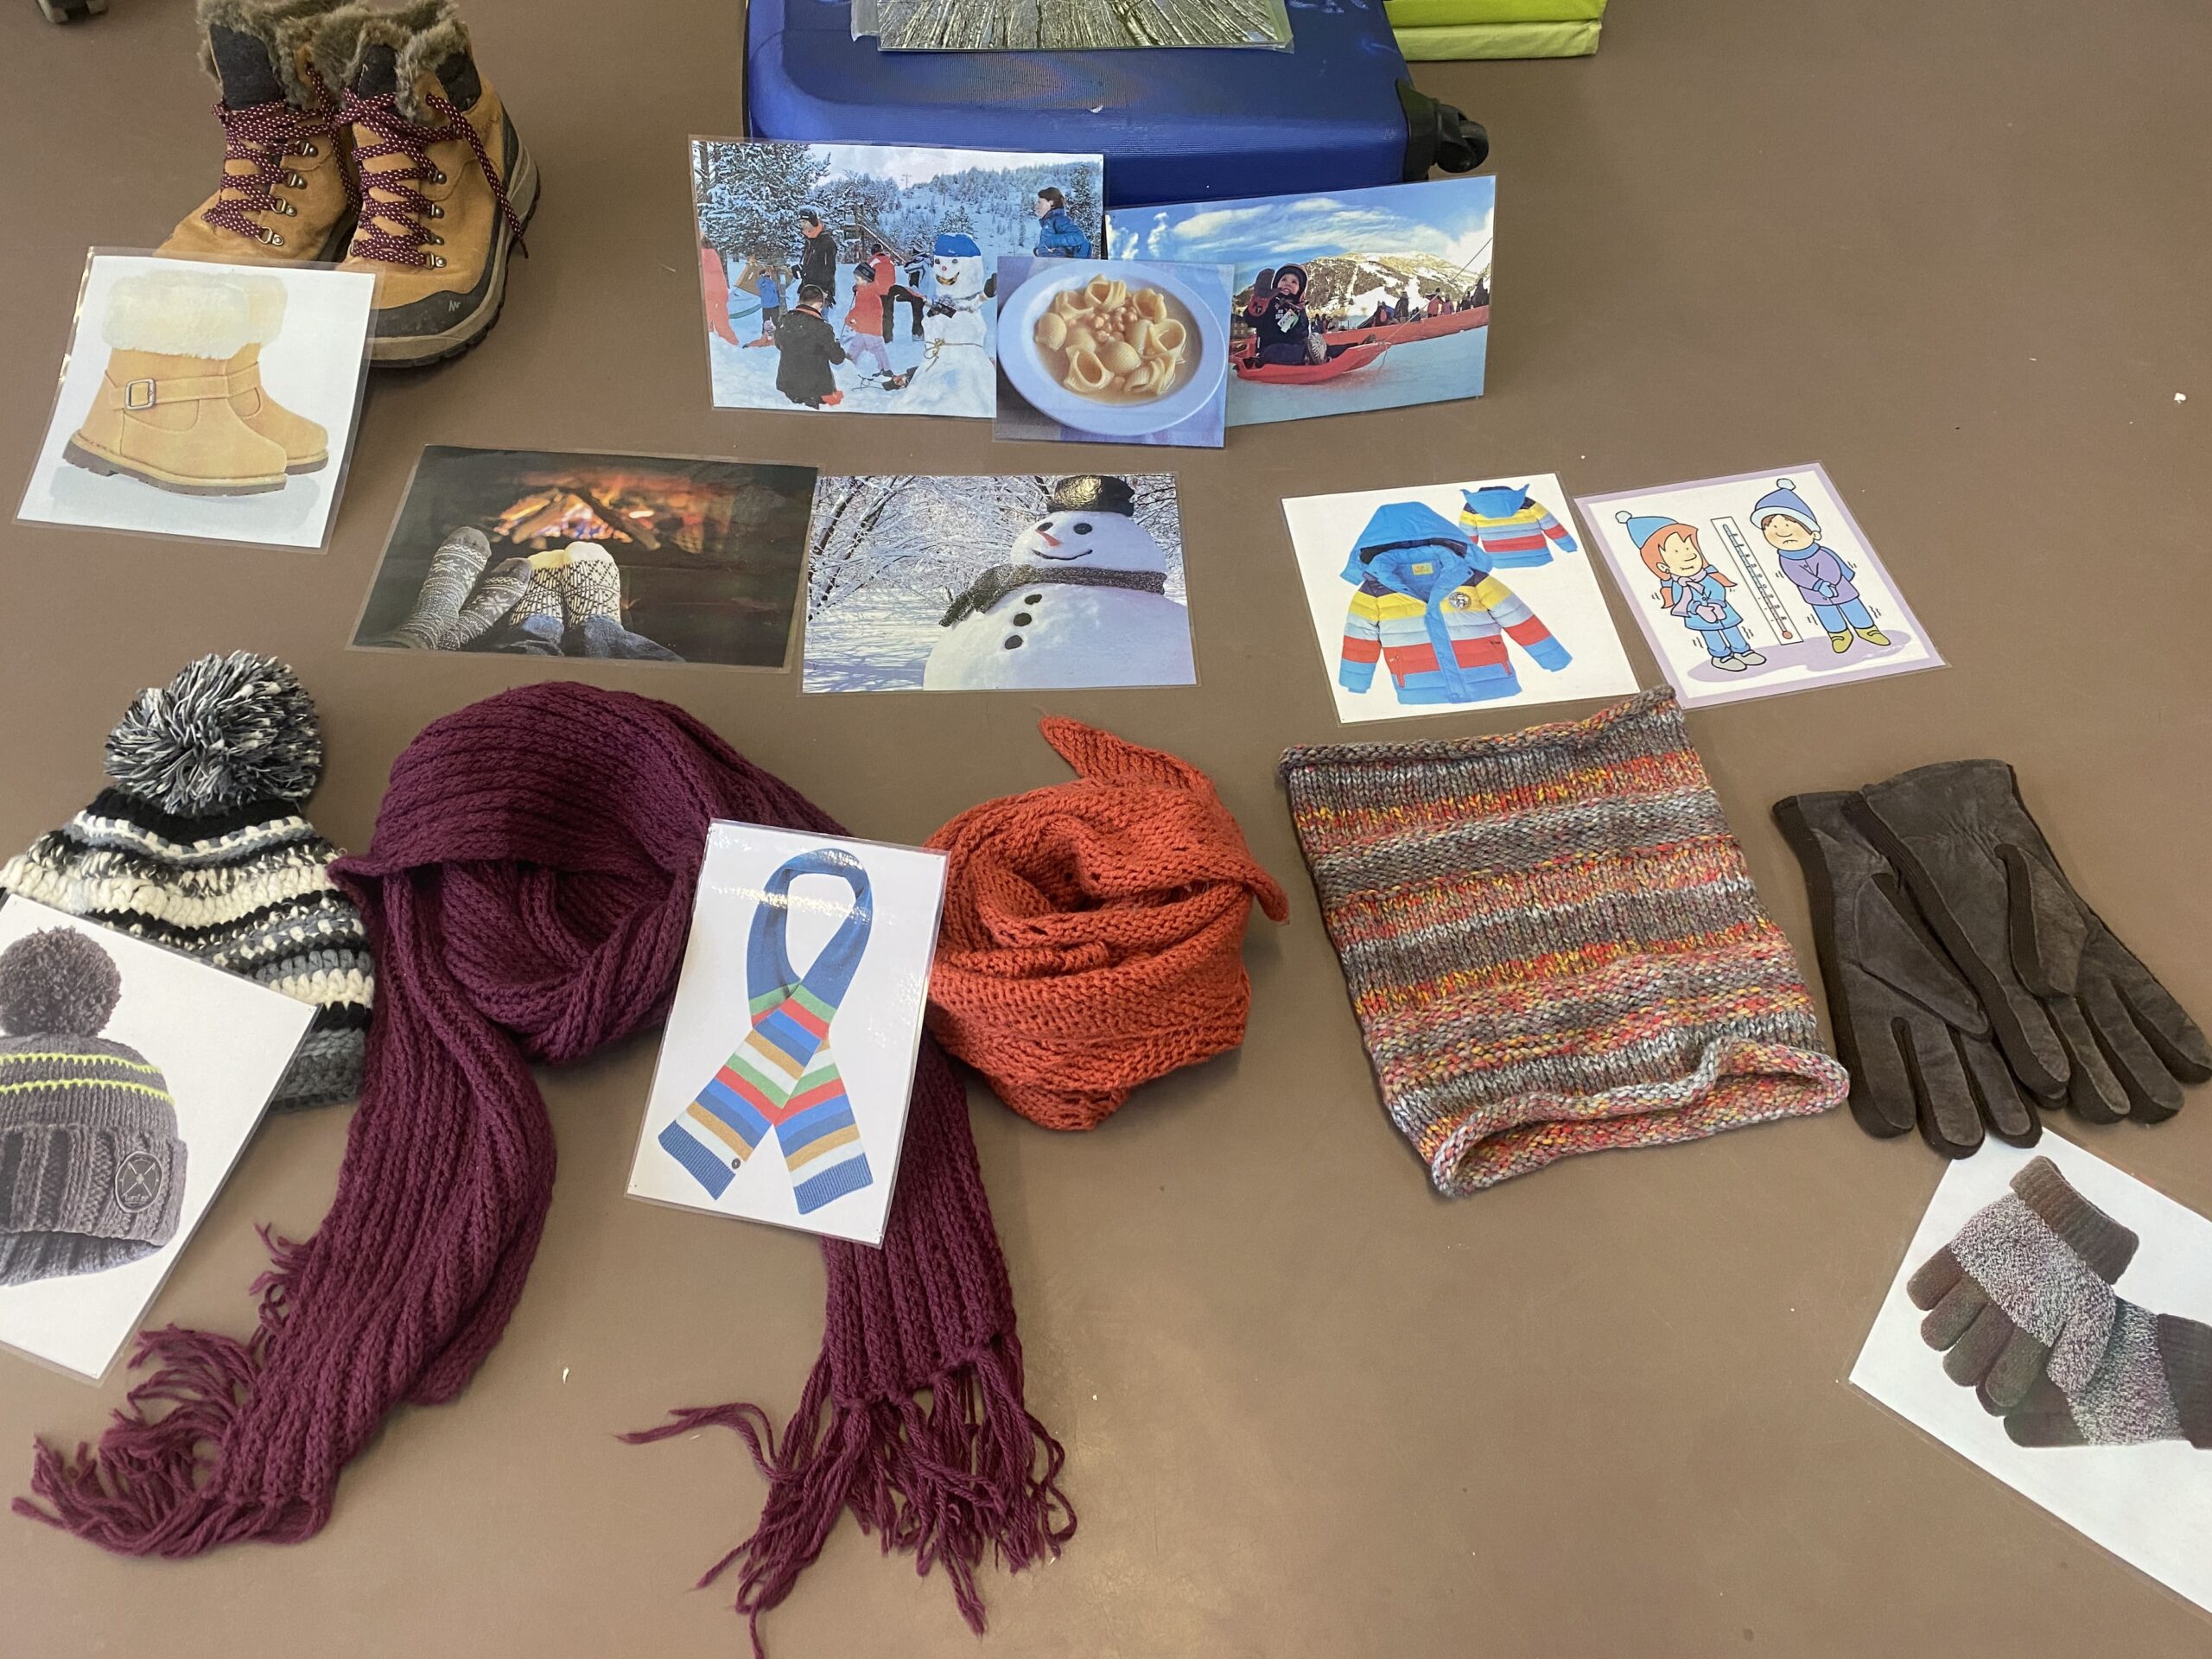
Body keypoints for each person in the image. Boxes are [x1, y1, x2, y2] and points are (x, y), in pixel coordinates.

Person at [1750, 479, 1891, 652]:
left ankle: (1867, 630)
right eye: (1772, 528)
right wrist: (1818, 586)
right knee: (1827, 614)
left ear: (1812, 531)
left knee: (1853, 607)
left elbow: (1833, 568)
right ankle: (1839, 635)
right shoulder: (1786, 559)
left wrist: (1830, 583)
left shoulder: (1821, 553)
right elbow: (1797, 575)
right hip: (1814, 594)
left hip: (1840, 587)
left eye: (1787, 525)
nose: (1782, 532)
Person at [1623, 513, 1766, 673]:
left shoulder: (1706, 576)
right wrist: (1697, 608)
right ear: (1662, 566)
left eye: (1689, 548)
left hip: (1721, 609)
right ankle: (1721, 656)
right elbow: (1679, 600)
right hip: (1698, 615)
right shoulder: (1678, 585)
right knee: (1711, 634)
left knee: (1731, 629)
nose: (1689, 555)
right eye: (1676, 552)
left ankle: (1743, 651)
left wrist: (1716, 602)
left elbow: (1717, 589)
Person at [774, 283, 845, 408]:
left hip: (786, 384)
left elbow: (779, 345)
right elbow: (837, 358)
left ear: (799, 302)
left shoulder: (784, 321)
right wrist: (836, 345)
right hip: (815, 391)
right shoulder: (822, 328)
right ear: (818, 305)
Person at [1244, 264, 1329, 366]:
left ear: (1300, 289)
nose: (1288, 284)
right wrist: (1259, 304)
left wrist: (1304, 339)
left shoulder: (1299, 309)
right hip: (1269, 348)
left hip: (1297, 346)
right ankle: (1308, 357)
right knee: (1275, 351)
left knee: (1313, 347)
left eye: (1294, 282)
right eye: (1284, 280)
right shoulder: (1269, 304)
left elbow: (1303, 330)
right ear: (1276, 284)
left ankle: (1331, 352)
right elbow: (1251, 320)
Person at [842, 249, 897, 379]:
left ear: (866, 279)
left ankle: (886, 370)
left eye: (858, 279)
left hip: (870, 327)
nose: (856, 282)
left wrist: (850, 317)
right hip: (865, 326)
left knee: (877, 348)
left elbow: (860, 309)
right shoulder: (865, 289)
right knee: (856, 345)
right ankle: (847, 366)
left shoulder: (868, 293)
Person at [700, 238, 739, 346]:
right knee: (720, 320)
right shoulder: (713, 255)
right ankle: (731, 344)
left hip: (711, 293)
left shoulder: (705, 254)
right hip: (718, 293)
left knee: (710, 320)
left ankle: (728, 345)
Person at [1032, 188, 1090, 257]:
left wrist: (1051, 241)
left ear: (1051, 203)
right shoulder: (1049, 222)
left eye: (1039, 202)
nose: (1036, 207)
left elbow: (1078, 236)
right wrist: (1038, 251)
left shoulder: (1060, 220)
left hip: (1062, 263)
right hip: (1051, 263)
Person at [798, 209, 839, 306]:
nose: (802, 225)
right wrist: (802, 270)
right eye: (801, 222)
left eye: (805, 222)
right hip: (808, 289)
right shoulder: (810, 241)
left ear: (813, 222)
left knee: (817, 315)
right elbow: (812, 265)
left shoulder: (825, 242)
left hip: (820, 292)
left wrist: (824, 290)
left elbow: (829, 269)